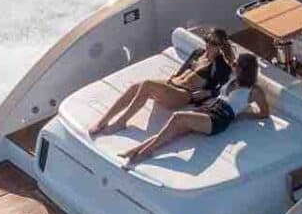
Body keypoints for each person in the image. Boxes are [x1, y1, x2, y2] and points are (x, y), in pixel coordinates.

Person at [123, 53, 272, 168]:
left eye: (236, 64)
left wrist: (244, 114)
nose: (233, 65)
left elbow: (264, 113)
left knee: (177, 117)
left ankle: (145, 152)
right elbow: (226, 56)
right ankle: (137, 150)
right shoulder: (233, 79)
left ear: (243, 69)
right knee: (173, 129)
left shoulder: (254, 91)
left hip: (218, 118)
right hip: (209, 108)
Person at [89, 26, 235, 138]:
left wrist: (207, 93)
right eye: (207, 40)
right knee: (135, 87)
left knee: (147, 85)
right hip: (172, 85)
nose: (208, 44)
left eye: (213, 43)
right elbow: (183, 70)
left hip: (184, 94)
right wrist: (170, 80)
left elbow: (222, 89)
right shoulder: (198, 53)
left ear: (221, 46)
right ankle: (103, 121)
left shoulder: (220, 65)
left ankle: (121, 122)